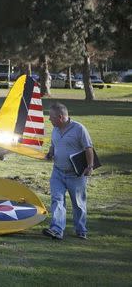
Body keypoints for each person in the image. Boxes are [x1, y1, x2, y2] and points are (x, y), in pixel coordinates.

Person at [43, 102, 94, 240]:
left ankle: (81, 230)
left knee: (78, 204)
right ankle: (57, 230)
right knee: (57, 200)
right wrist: (50, 153)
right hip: (57, 172)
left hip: (76, 175)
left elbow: (88, 148)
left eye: (51, 117)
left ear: (60, 117)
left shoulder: (79, 129)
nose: (49, 119)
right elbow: (54, 145)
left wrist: (90, 166)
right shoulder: (55, 129)